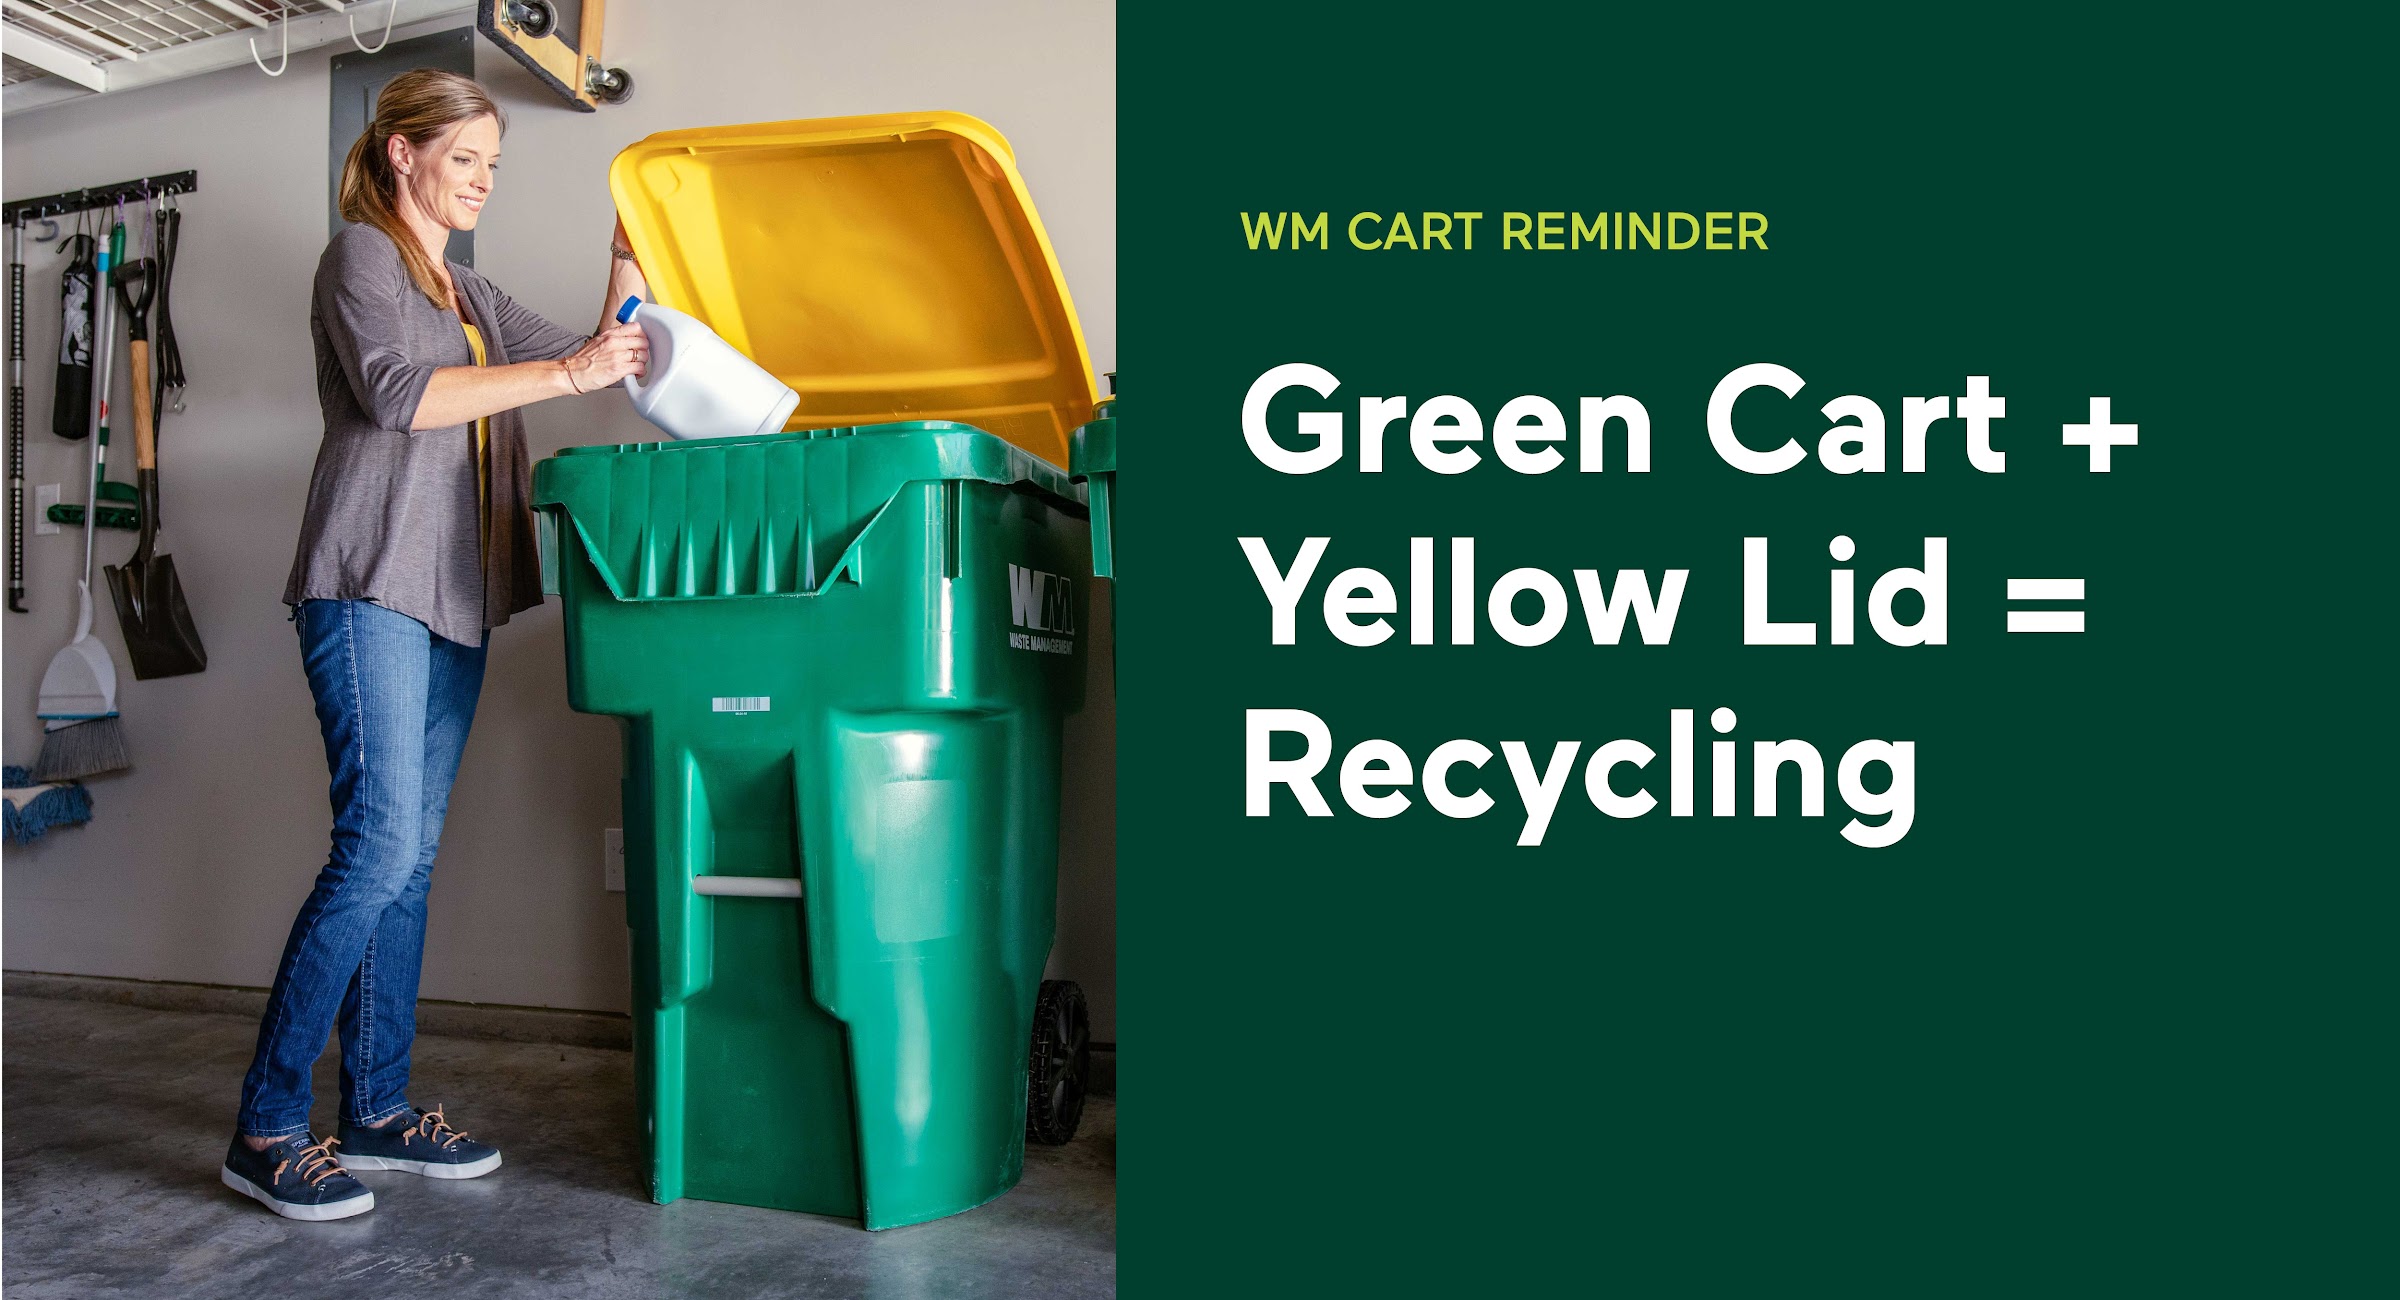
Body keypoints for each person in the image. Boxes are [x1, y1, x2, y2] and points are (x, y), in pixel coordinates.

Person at [222, 69, 649, 1222]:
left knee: (408, 862)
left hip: (454, 599)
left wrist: (629, 260)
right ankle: (266, 1125)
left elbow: (597, 354)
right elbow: (401, 396)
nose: (484, 183)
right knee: (373, 850)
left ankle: (376, 1106)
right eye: (466, 159)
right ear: (403, 154)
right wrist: (564, 370)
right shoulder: (359, 256)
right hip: (367, 584)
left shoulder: (468, 286)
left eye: (494, 166)